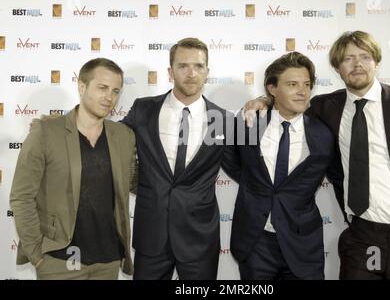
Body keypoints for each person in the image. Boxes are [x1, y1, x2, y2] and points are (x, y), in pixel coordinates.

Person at [243, 30, 390, 280]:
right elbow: (288, 108)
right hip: (362, 237)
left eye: (365, 56)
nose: (358, 64)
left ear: (377, 62)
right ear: (338, 68)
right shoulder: (325, 107)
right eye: (348, 59)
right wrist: (262, 101)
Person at [10, 58, 136, 279]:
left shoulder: (124, 136)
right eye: (102, 88)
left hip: (107, 261)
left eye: (116, 91)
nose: (109, 97)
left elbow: (135, 181)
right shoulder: (46, 132)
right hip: (58, 261)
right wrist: (37, 254)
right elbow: (21, 197)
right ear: (81, 86)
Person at [122, 38, 235, 280]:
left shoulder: (223, 119)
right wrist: (61, 125)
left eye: (198, 66)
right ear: (170, 71)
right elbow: (107, 139)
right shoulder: (143, 109)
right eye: (183, 66)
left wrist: (265, 101)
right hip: (151, 234)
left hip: (199, 238)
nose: (191, 73)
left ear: (207, 72)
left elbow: (245, 168)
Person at [229, 52, 342, 280]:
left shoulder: (324, 133)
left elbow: (340, 179)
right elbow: (232, 163)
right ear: (272, 89)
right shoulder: (247, 123)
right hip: (255, 244)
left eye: (307, 85)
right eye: (292, 84)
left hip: (304, 246)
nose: (302, 91)